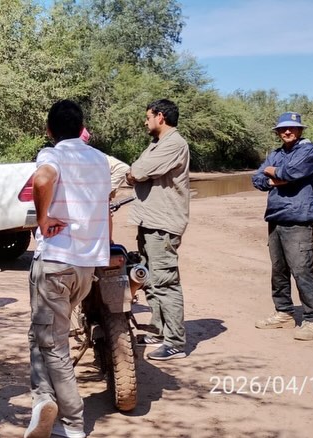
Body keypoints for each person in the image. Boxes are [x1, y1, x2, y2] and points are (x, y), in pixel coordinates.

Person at [25, 100, 110, 438]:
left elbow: (42, 179)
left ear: (50, 130)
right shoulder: (100, 159)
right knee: (40, 333)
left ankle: (72, 422)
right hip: (85, 266)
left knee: (54, 343)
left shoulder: (52, 155)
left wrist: (43, 218)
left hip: (56, 263)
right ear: (81, 127)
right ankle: (43, 401)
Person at [125, 98, 190, 361]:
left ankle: (175, 342)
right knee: (150, 279)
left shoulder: (174, 143)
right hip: (150, 222)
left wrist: (133, 174)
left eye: (148, 117)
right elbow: (137, 171)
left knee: (165, 281)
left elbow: (139, 171)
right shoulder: (158, 143)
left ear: (160, 117)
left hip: (163, 224)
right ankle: (160, 330)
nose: (145, 121)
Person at [252, 112, 313, 340]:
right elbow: (257, 179)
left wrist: (273, 172)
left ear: (300, 130)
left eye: (292, 128)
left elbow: (292, 172)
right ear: (277, 132)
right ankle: (284, 313)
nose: (287, 131)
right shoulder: (275, 154)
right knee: (279, 270)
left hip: (298, 219)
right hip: (276, 218)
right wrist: (275, 177)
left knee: (301, 270)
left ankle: (312, 320)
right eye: (283, 129)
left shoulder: (309, 151)